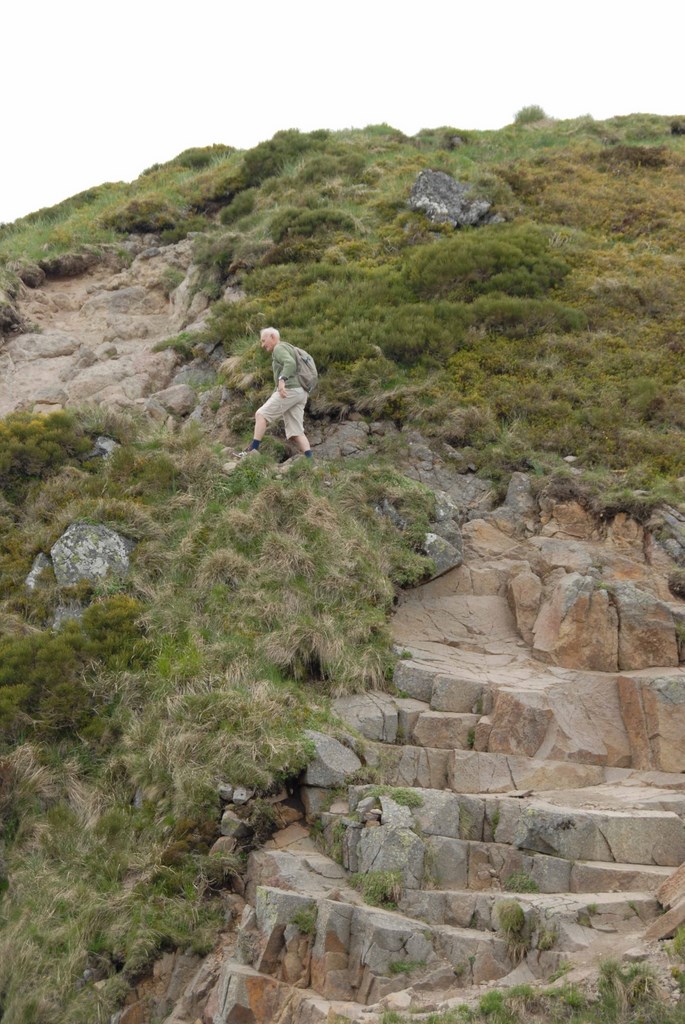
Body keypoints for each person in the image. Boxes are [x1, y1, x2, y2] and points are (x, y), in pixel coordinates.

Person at [239, 327, 313, 458]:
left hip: (289, 390)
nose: (262, 345)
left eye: (263, 341)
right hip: (301, 392)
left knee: (261, 415)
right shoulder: (288, 347)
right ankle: (310, 461)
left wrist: (282, 380)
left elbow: (290, 363)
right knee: (296, 432)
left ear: (272, 337)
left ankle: (252, 450)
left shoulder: (279, 348)